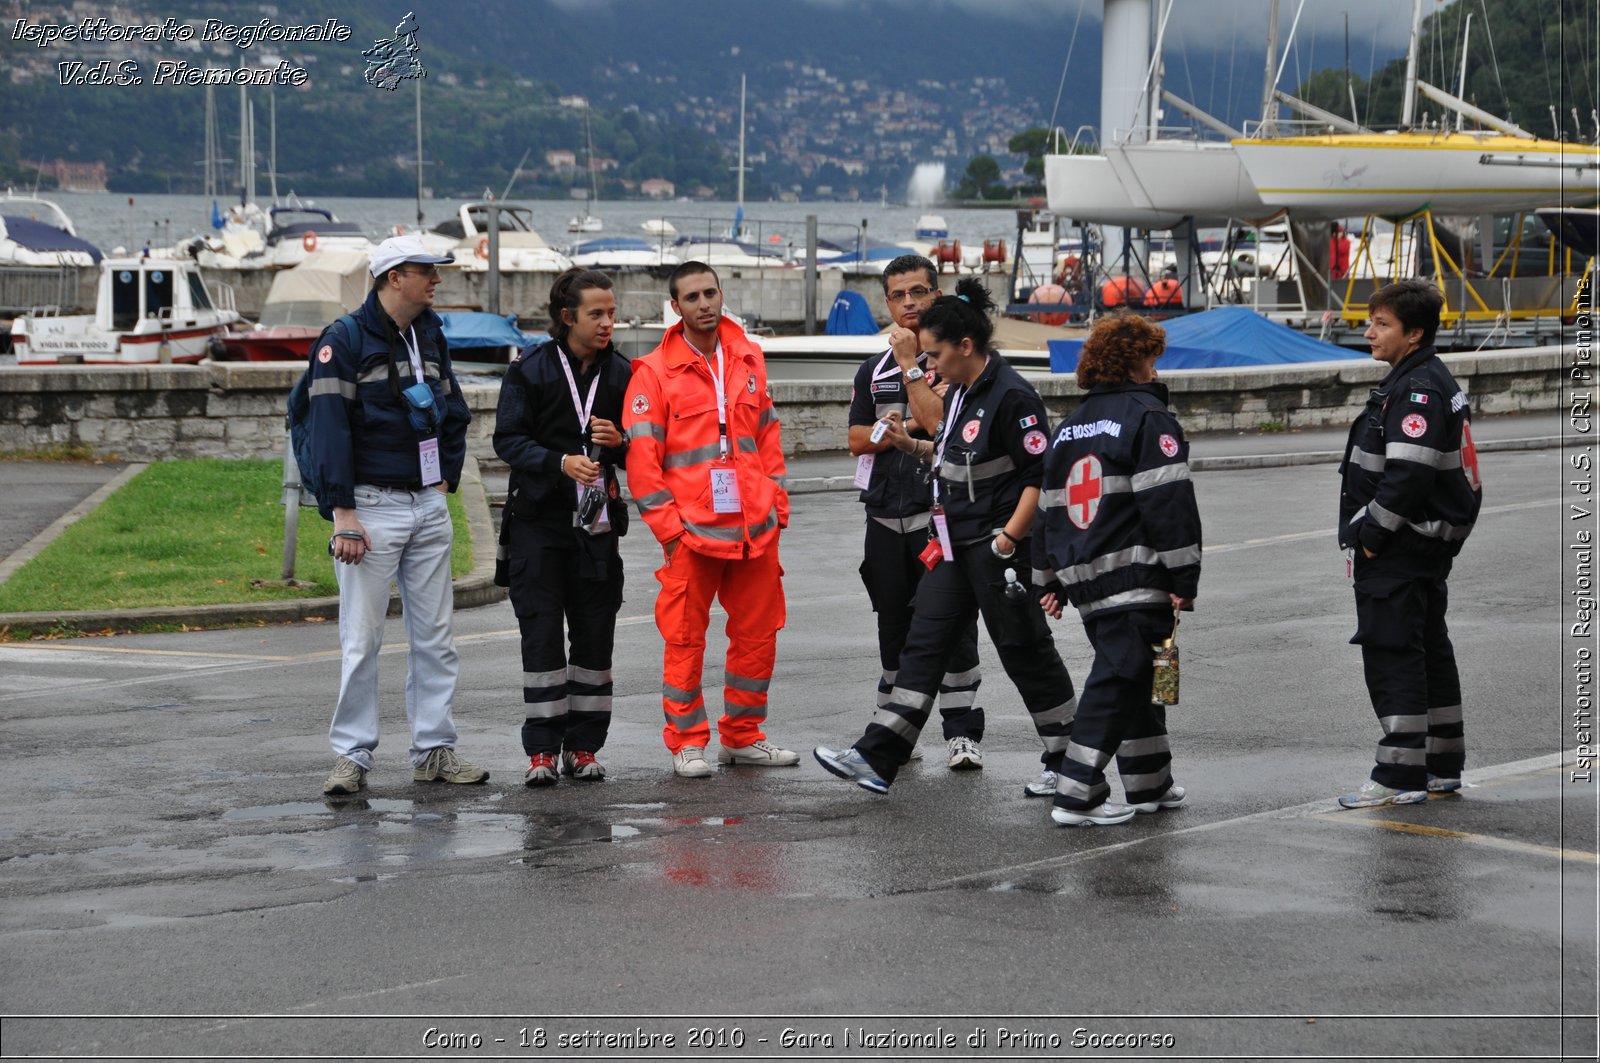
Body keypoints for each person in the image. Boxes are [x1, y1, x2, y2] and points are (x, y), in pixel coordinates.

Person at [815, 278, 1078, 800]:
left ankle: (1068, 760)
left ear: (965, 347)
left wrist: (1008, 540)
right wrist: (907, 444)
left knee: (1026, 652)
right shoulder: (959, 390)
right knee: (924, 645)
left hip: (998, 549)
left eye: (934, 355)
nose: (928, 365)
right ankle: (876, 757)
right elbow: (949, 454)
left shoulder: (1013, 395)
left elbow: (1040, 477)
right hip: (954, 545)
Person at [307, 233, 487, 795]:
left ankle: (434, 750)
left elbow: (452, 406)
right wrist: (343, 515)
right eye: (425, 271)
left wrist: (446, 476)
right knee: (361, 642)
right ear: (392, 278)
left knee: (436, 638)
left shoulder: (429, 333)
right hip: (370, 506)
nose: (436, 279)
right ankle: (351, 757)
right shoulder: (344, 339)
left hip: (426, 502)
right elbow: (327, 429)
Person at [622, 261, 798, 778]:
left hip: (754, 529)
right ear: (675, 308)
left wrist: (777, 504)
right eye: (692, 297)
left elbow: (767, 436)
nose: (704, 304)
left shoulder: (748, 356)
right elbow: (642, 463)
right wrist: (670, 533)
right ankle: (687, 742)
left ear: (722, 295)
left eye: (711, 293)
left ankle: (743, 737)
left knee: (758, 635)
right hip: (692, 535)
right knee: (684, 638)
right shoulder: (653, 372)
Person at [1034, 313, 1201, 827]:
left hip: (1087, 578)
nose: (1156, 369)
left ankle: (1149, 783)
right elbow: (1168, 504)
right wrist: (1184, 577)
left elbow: (1049, 507)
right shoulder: (1147, 418)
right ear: (1135, 363)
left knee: (1141, 677)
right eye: (1151, 359)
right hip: (1135, 572)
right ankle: (1076, 792)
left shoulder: (1069, 428)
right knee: (1122, 676)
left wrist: (1050, 579)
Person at [1336, 279, 1482, 808]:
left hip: (1400, 548)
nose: (1370, 332)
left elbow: (1407, 475)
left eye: (1382, 325)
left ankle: (1399, 775)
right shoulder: (1426, 378)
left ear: (1414, 333)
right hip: (1421, 546)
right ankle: (1441, 765)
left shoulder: (1416, 388)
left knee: (1393, 652)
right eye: (1370, 322)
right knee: (1429, 651)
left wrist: (1371, 538)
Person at [493, 269, 631, 787]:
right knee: (543, 638)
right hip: (538, 524)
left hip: (596, 527)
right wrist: (558, 462)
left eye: (612, 313)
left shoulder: (623, 372)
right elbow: (506, 439)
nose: (607, 323)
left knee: (596, 638)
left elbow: (645, 446)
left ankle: (585, 747)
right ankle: (542, 752)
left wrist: (621, 441)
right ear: (567, 316)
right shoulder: (529, 369)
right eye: (596, 313)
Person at [848, 254, 986, 771]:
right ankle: (893, 735)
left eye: (919, 292)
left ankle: (962, 734)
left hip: (941, 515)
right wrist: (891, 435)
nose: (910, 303)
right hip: (885, 514)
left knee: (951, 626)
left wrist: (912, 372)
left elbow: (937, 425)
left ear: (937, 293)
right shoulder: (871, 369)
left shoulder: (954, 358)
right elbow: (856, 439)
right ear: (887, 300)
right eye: (899, 295)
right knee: (892, 627)